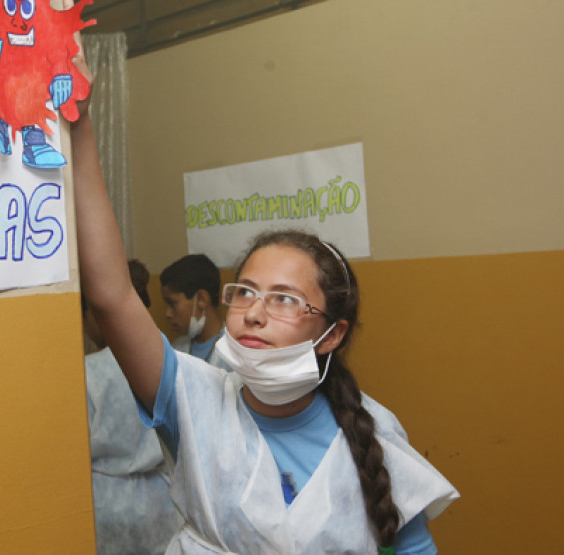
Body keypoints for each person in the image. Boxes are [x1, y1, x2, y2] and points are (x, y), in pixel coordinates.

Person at [68, 23, 458, 553]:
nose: (254, 312)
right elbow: (112, 295)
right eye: (245, 292)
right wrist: (80, 122)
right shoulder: (195, 403)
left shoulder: (374, 437)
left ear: (332, 334)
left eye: (284, 299)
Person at [83, 260, 183, 555]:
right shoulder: (170, 363)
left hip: (106, 505)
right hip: (163, 500)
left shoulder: (87, 373)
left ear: (94, 313)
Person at [160, 254, 227, 366]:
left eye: (172, 303)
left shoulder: (234, 351)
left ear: (201, 299)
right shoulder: (177, 349)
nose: (168, 314)